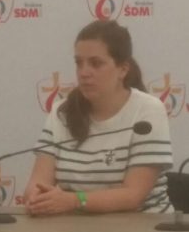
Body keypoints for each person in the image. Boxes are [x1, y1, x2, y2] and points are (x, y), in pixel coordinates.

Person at [24, 20, 173, 215]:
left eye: (96, 64)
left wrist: (74, 200)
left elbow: (133, 195)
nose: (84, 73)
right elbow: (37, 182)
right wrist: (36, 197)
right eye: (79, 63)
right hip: (76, 226)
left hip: (143, 225)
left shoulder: (148, 111)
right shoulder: (61, 112)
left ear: (123, 69)